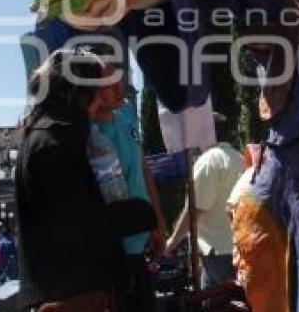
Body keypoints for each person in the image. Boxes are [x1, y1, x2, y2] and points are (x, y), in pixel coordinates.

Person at [16, 48, 133, 310]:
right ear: (80, 94)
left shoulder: (42, 135)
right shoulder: (57, 143)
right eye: (96, 94)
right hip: (74, 296)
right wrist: (133, 215)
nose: (96, 106)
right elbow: (78, 227)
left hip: (63, 293)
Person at [91, 81, 166, 312]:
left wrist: (158, 221)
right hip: (110, 251)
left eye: (120, 81)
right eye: (110, 84)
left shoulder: (125, 112)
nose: (120, 89)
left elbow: (143, 167)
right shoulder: (86, 130)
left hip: (139, 240)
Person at [165, 115, 244, 289]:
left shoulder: (208, 161)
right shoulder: (239, 158)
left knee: (215, 303)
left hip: (217, 253)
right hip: (238, 248)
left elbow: (193, 210)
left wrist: (171, 242)